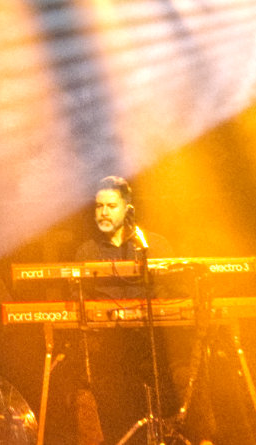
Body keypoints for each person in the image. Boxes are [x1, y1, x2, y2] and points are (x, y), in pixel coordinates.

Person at [70, 177, 174, 444]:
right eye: (98, 206)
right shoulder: (87, 251)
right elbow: (76, 303)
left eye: (111, 206)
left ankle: (198, 438)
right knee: (82, 379)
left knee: (187, 361)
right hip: (106, 346)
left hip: (151, 341)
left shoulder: (153, 245)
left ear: (128, 209)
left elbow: (172, 294)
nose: (103, 212)